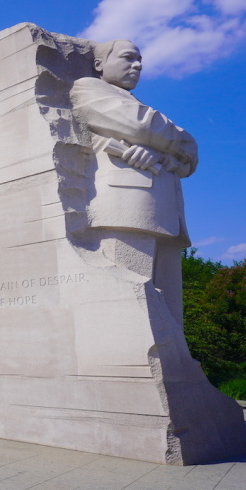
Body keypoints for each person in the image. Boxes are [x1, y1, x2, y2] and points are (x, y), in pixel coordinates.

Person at [70, 39, 198, 325]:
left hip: (168, 214)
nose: (137, 65)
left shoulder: (140, 105)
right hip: (127, 207)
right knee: (129, 307)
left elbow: (191, 156)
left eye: (140, 60)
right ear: (100, 64)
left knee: (170, 314)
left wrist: (161, 150)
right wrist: (176, 140)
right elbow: (141, 125)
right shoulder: (88, 88)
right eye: (128, 58)